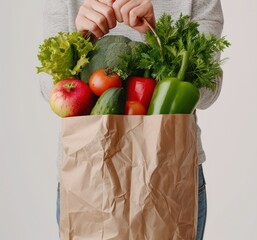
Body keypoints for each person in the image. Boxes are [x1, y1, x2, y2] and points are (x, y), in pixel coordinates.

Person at [40, 0, 225, 239]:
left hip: (167, 175)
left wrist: (157, 35)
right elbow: (47, 88)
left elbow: (208, 92)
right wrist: (78, 41)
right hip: (90, 175)